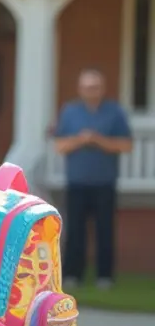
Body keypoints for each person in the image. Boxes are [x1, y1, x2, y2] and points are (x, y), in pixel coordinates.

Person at [53, 67, 133, 290]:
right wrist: (81, 140)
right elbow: (60, 146)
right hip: (76, 182)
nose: (91, 91)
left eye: (95, 87)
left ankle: (105, 276)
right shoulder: (70, 112)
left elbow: (126, 145)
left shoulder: (114, 112)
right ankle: (72, 274)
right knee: (75, 231)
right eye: (87, 87)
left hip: (104, 182)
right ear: (80, 89)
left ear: (102, 88)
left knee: (105, 231)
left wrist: (98, 140)